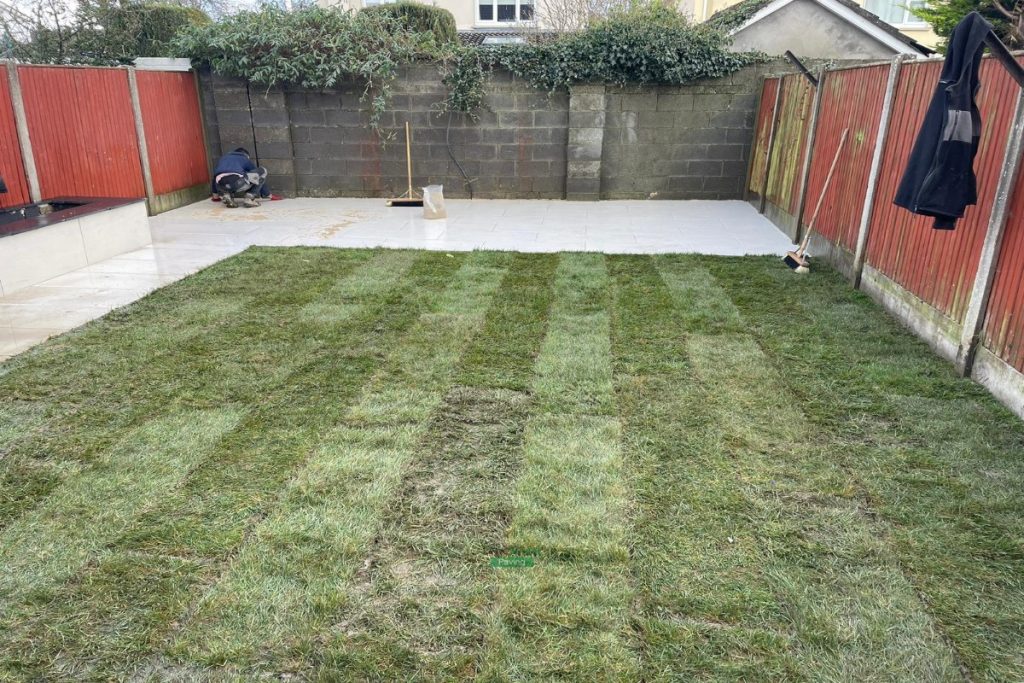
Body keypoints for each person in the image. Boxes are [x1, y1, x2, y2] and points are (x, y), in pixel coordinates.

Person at [210, 148, 280, 208]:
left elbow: (214, 178)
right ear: (246, 155)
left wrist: (215, 197)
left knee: (223, 178)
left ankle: (226, 195)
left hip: (220, 186)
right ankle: (249, 197)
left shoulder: (223, 158)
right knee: (262, 171)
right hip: (236, 183)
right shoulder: (244, 158)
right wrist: (268, 195)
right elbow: (256, 176)